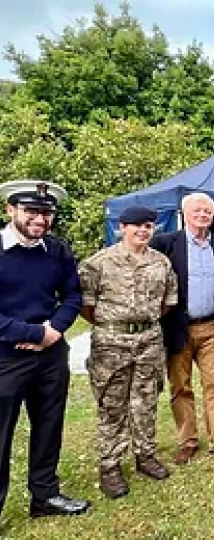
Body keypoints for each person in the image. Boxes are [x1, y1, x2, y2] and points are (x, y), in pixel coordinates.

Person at [0, 180, 90, 519]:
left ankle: (45, 497)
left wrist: (52, 331)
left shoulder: (58, 250)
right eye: (32, 211)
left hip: (50, 356)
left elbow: (72, 296)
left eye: (47, 213)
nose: (40, 219)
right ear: (11, 209)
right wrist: (33, 332)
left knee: (49, 427)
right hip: (5, 358)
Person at [79, 205, 178, 499]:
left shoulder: (161, 263)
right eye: (137, 226)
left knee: (146, 400)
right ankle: (110, 466)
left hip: (149, 340)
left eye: (148, 226)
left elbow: (168, 302)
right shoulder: (98, 263)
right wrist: (115, 325)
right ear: (122, 227)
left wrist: (142, 323)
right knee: (112, 405)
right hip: (112, 344)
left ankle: (145, 456)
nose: (143, 231)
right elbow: (85, 305)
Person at [150, 193, 214, 464]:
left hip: (211, 327)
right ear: (184, 213)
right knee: (181, 387)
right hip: (179, 327)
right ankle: (187, 441)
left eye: (207, 212)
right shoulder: (166, 243)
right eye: (197, 211)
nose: (203, 215)